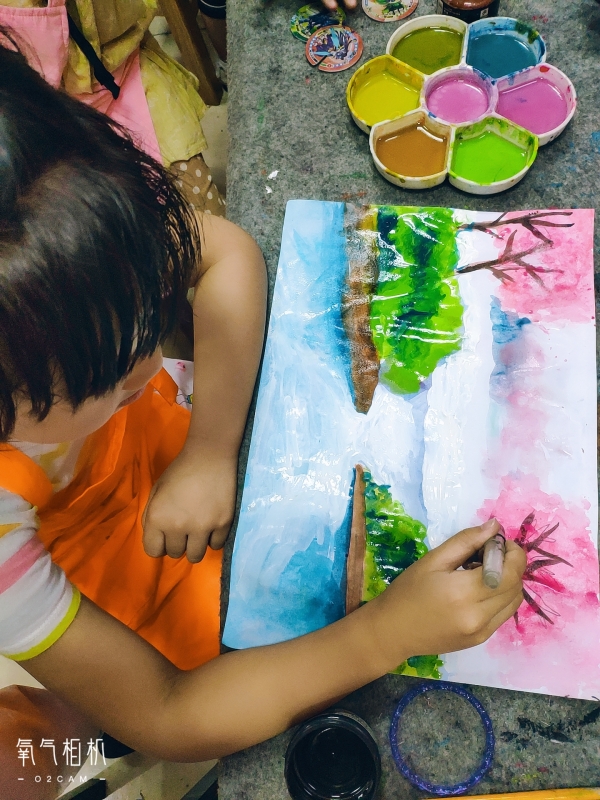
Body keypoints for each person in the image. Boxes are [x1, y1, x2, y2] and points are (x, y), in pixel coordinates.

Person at [0, 36, 526, 779]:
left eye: (149, 322)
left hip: (189, 464)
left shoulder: (54, 218)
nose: (150, 364)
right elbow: (169, 712)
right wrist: (385, 634)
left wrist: (209, 451)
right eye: (107, 377)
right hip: (123, 617)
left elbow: (223, 253)